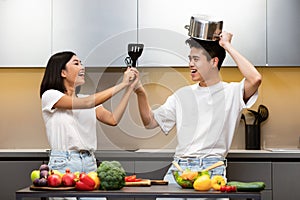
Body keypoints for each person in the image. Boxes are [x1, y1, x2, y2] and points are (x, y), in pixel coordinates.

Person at [134, 31, 262, 188]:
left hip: (211, 169)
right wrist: (140, 92)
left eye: (196, 59)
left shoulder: (232, 92)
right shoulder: (182, 95)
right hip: (179, 168)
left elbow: (255, 78)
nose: (190, 64)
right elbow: (150, 122)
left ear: (214, 62)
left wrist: (226, 46)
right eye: (190, 59)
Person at [39, 51, 139, 189]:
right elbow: (87, 103)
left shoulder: (87, 99)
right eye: (76, 63)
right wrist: (122, 84)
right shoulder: (50, 96)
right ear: (63, 72)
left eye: (81, 63)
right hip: (64, 163)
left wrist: (129, 88)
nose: (82, 67)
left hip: (89, 162)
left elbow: (113, 119)